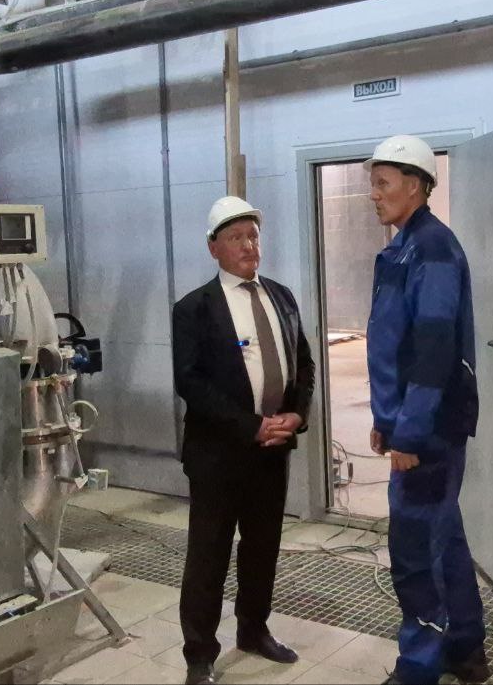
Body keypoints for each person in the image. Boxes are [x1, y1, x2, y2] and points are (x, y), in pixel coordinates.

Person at [171, 196, 316, 685]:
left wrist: (297, 414)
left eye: (253, 235)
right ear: (213, 248)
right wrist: (250, 425)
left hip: (272, 451)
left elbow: (304, 363)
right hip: (217, 455)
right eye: (236, 237)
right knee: (209, 553)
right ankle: (199, 655)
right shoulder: (194, 308)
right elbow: (190, 382)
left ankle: (253, 630)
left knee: (262, 547)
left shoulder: (281, 296)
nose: (248, 245)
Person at [364, 134, 486, 685]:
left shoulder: (431, 248)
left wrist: (408, 434)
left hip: (429, 430)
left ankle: (418, 669)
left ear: (415, 186)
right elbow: (397, 346)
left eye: (383, 183)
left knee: (414, 552)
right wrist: (385, 419)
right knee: (446, 537)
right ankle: (465, 648)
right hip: (416, 423)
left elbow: (434, 351)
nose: (374, 194)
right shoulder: (406, 247)